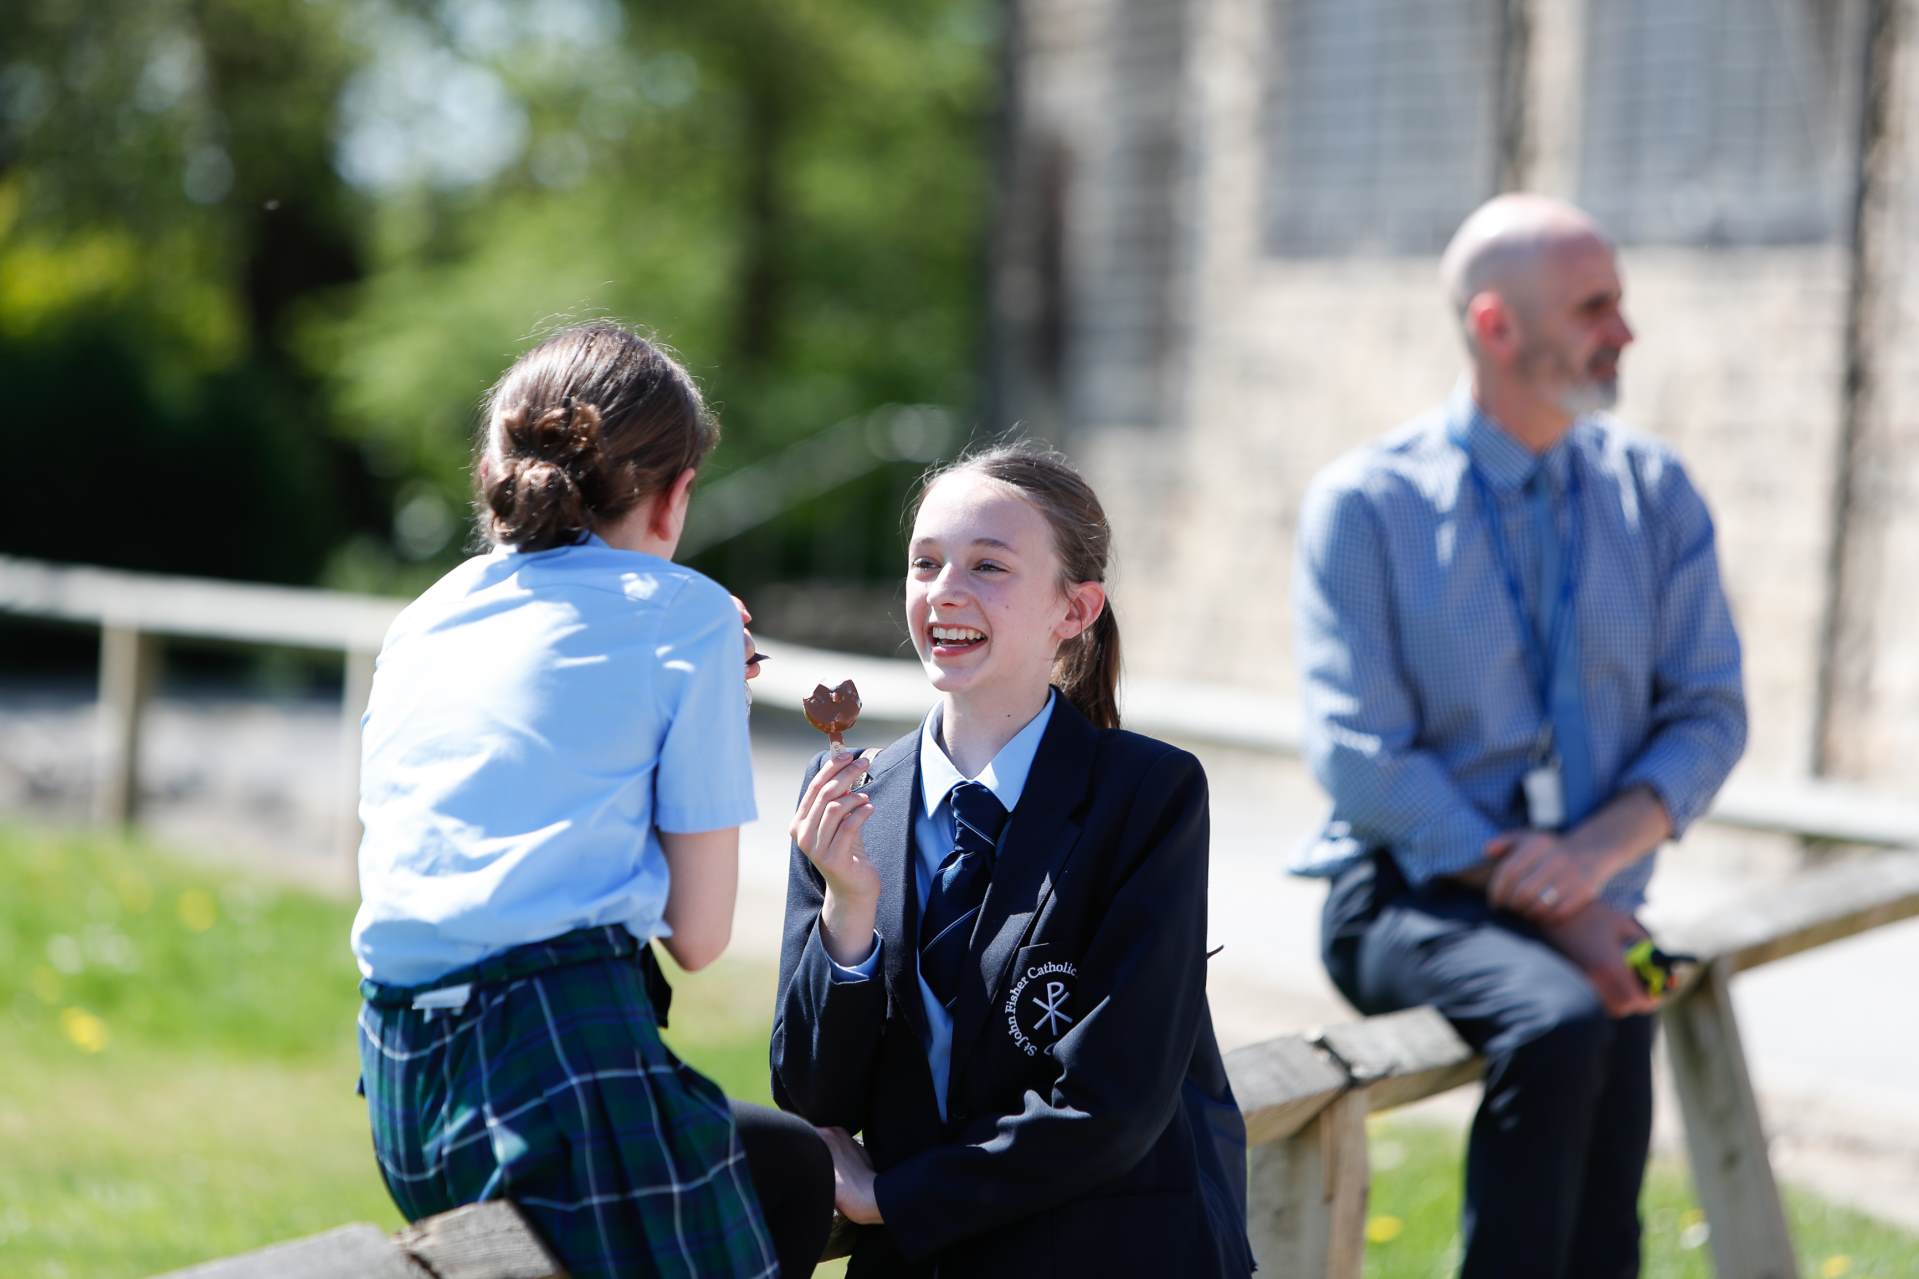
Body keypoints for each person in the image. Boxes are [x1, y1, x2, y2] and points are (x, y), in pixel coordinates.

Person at [1291, 194, 1748, 1277]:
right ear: (1495, 327)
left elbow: (1707, 712)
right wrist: (1558, 899)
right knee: (1556, 1020)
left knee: (1616, 1024)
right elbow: (1360, 755)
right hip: (1404, 891)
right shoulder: (1364, 504)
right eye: (1595, 307)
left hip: (1594, 900)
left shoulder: (1656, 493)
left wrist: (1587, 875)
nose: (1623, 331)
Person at [351, 322, 831, 1279]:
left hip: (401, 1083)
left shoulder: (422, 617)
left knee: (784, 1169)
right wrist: (713, 698)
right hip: (555, 1071)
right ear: (674, 496)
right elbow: (696, 936)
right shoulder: (688, 612)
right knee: (792, 1176)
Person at [770, 443, 1254, 1278]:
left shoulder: (1149, 795)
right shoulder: (845, 794)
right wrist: (847, 916)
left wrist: (898, 1198)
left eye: (988, 565)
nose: (944, 590)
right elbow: (815, 1097)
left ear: (1075, 610)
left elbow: (1113, 1104)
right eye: (925, 563)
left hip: (1111, 1253)